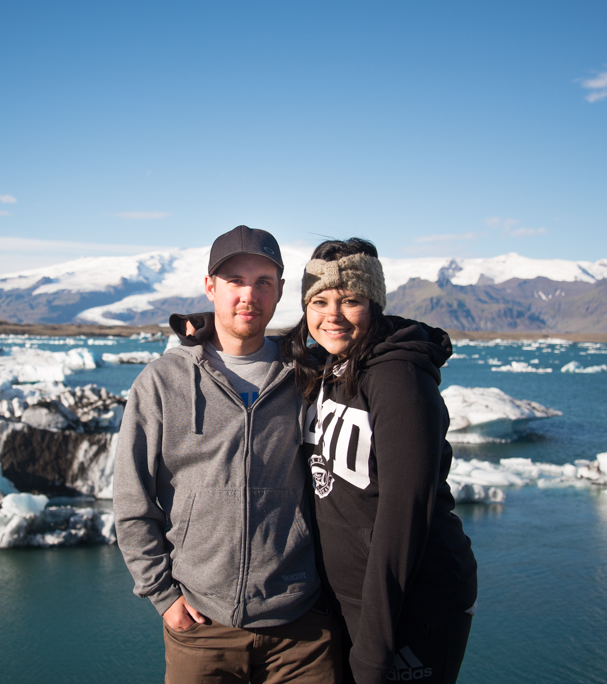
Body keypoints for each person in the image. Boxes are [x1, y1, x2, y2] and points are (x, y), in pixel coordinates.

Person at [177, 238, 478, 684]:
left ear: (374, 304)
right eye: (319, 300)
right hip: (347, 600)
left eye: (351, 300)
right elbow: (276, 345)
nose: (332, 314)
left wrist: (376, 652)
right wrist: (208, 328)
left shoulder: (399, 381)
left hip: (413, 604)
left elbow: (403, 523)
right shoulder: (332, 364)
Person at [113, 225, 341, 684]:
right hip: (202, 627)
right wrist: (162, 596)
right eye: (235, 280)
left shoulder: (308, 376)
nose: (247, 295)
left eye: (263, 282)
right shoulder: (162, 383)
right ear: (210, 287)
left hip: (300, 628)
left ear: (279, 293)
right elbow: (131, 500)